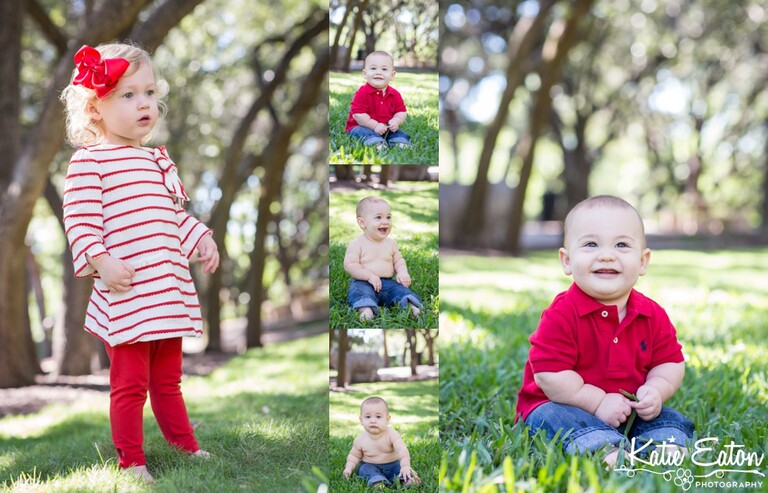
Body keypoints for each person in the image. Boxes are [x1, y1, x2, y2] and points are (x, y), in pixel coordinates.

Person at [60, 43, 220, 483]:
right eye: (128, 95)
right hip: (127, 293)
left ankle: (185, 447)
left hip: (164, 292)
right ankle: (131, 461)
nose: (144, 103)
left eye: (149, 92)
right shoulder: (90, 162)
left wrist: (201, 237)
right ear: (96, 108)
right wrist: (99, 259)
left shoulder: (155, 160)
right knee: (130, 386)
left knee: (168, 382)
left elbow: (170, 217)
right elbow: (80, 219)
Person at [515, 195, 694, 467]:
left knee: (665, 416)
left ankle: (662, 443)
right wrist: (598, 403)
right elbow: (550, 376)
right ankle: (600, 447)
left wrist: (656, 389)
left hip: (627, 409)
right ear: (566, 260)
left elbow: (670, 363)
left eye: (622, 244)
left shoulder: (652, 314)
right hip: (565, 404)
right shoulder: (562, 314)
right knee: (550, 417)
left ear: (643, 261)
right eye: (591, 244)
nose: (607, 254)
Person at [343, 196, 422, 322]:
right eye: (378, 217)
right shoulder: (357, 244)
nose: (385, 221)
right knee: (359, 292)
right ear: (362, 223)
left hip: (388, 283)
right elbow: (350, 265)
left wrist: (402, 272)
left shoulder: (391, 243)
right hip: (364, 282)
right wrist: (369, 276)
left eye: (388, 217)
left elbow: (399, 261)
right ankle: (365, 309)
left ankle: (409, 305)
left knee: (400, 290)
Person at [343, 396, 421, 488]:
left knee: (401, 470)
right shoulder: (360, 439)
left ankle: (406, 480)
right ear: (361, 420)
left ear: (387, 419)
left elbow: (402, 450)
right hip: (371, 465)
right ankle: (378, 482)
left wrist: (405, 466)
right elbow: (354, 456)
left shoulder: (392, 434)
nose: (373, 420)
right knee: (364, 469)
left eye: (378, 417)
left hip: (393, 465)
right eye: (367, 417)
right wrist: (348, 468)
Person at [345, 51, 410, 148]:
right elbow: (358, 115)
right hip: (363, 126)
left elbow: (401, 111)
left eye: (384, 69)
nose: (378, 72)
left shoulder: (395, 94)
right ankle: (375, 143)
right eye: (373, 68)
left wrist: (396, 120)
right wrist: (375, 126)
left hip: (385, 128)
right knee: (359, 131)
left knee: (398, 132)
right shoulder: (362, 93)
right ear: (365, 73)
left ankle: (399, 142)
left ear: (392, 75)